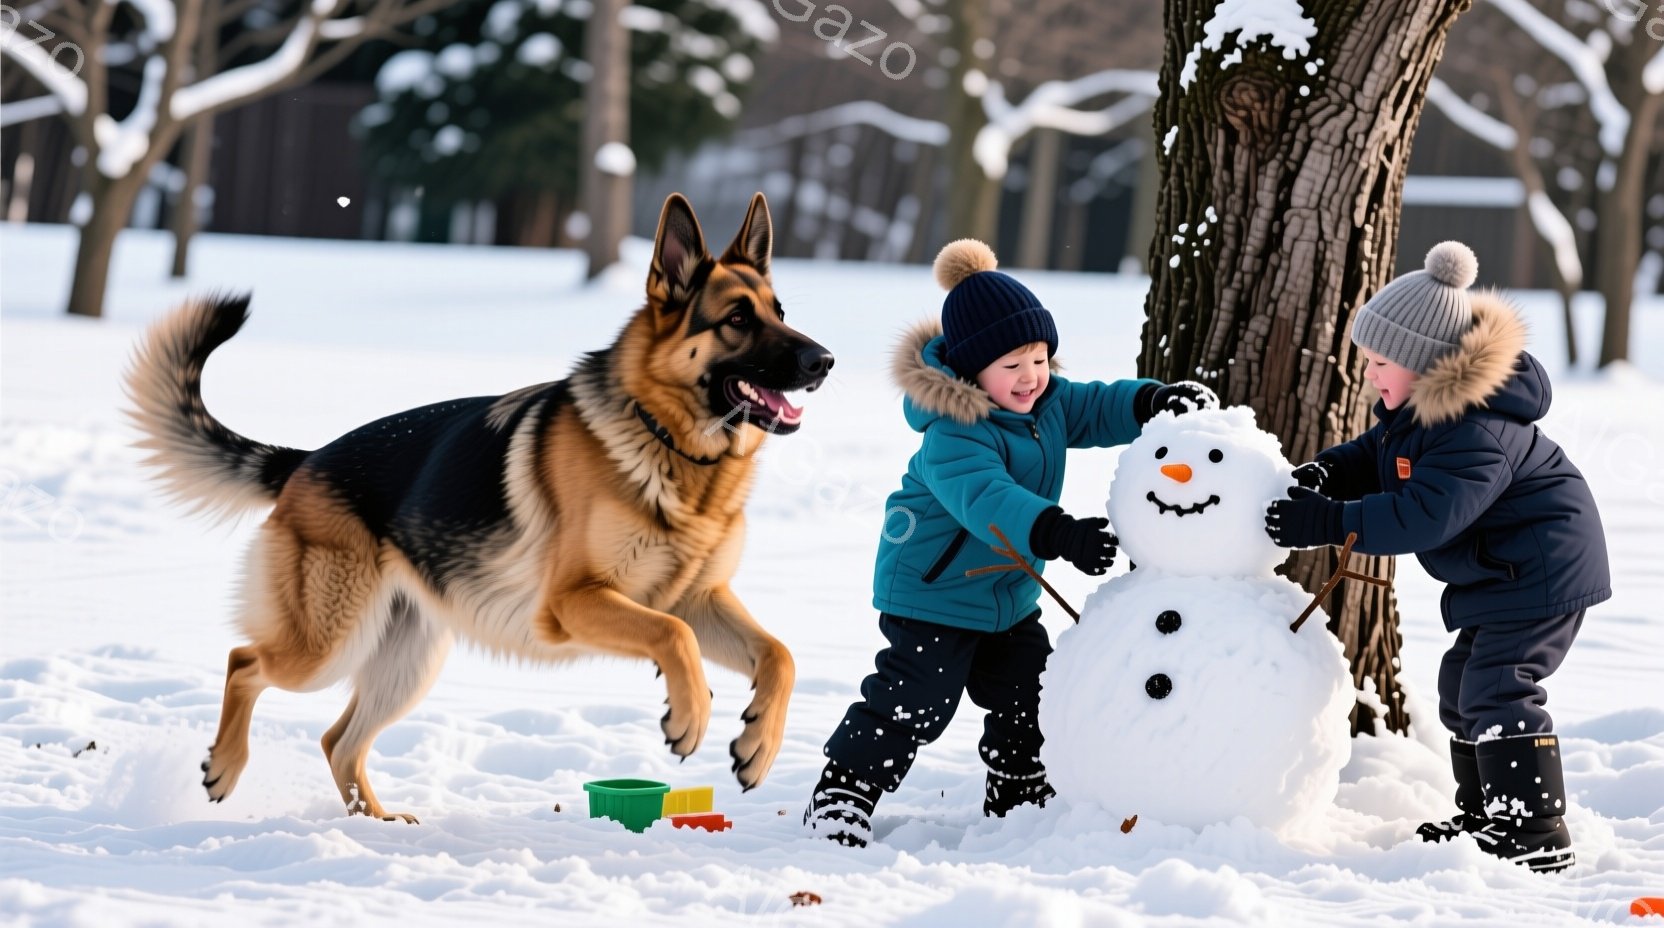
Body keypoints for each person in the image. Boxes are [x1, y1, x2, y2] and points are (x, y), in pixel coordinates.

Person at [804, 238, 1217, 847]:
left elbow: (1100, 406)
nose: (1030, 378)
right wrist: (1058, 531)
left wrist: (1151, 400)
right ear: (973, 370)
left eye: (1039, 359)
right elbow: (988, 498)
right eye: (1012, 365)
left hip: (1006, 596)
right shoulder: (953, 432)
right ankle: (845, 790)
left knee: (1032, 690)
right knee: (915, 698)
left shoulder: (1047, 402)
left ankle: (1018, 783)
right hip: (933, 593)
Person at [1265, 241, 1610, 873]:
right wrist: (1325, 476)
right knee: (1462, 687)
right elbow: (1373, 455)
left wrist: (1329, 521)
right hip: (1500, 571)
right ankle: (1487, 815)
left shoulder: (1477, 429)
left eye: (1379, 362)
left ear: (1426, 364)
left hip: (1541, 570)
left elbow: (1424, 515)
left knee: (1498, 686)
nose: (1369, 374)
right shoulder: (1420, 412)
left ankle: (1531, 831)